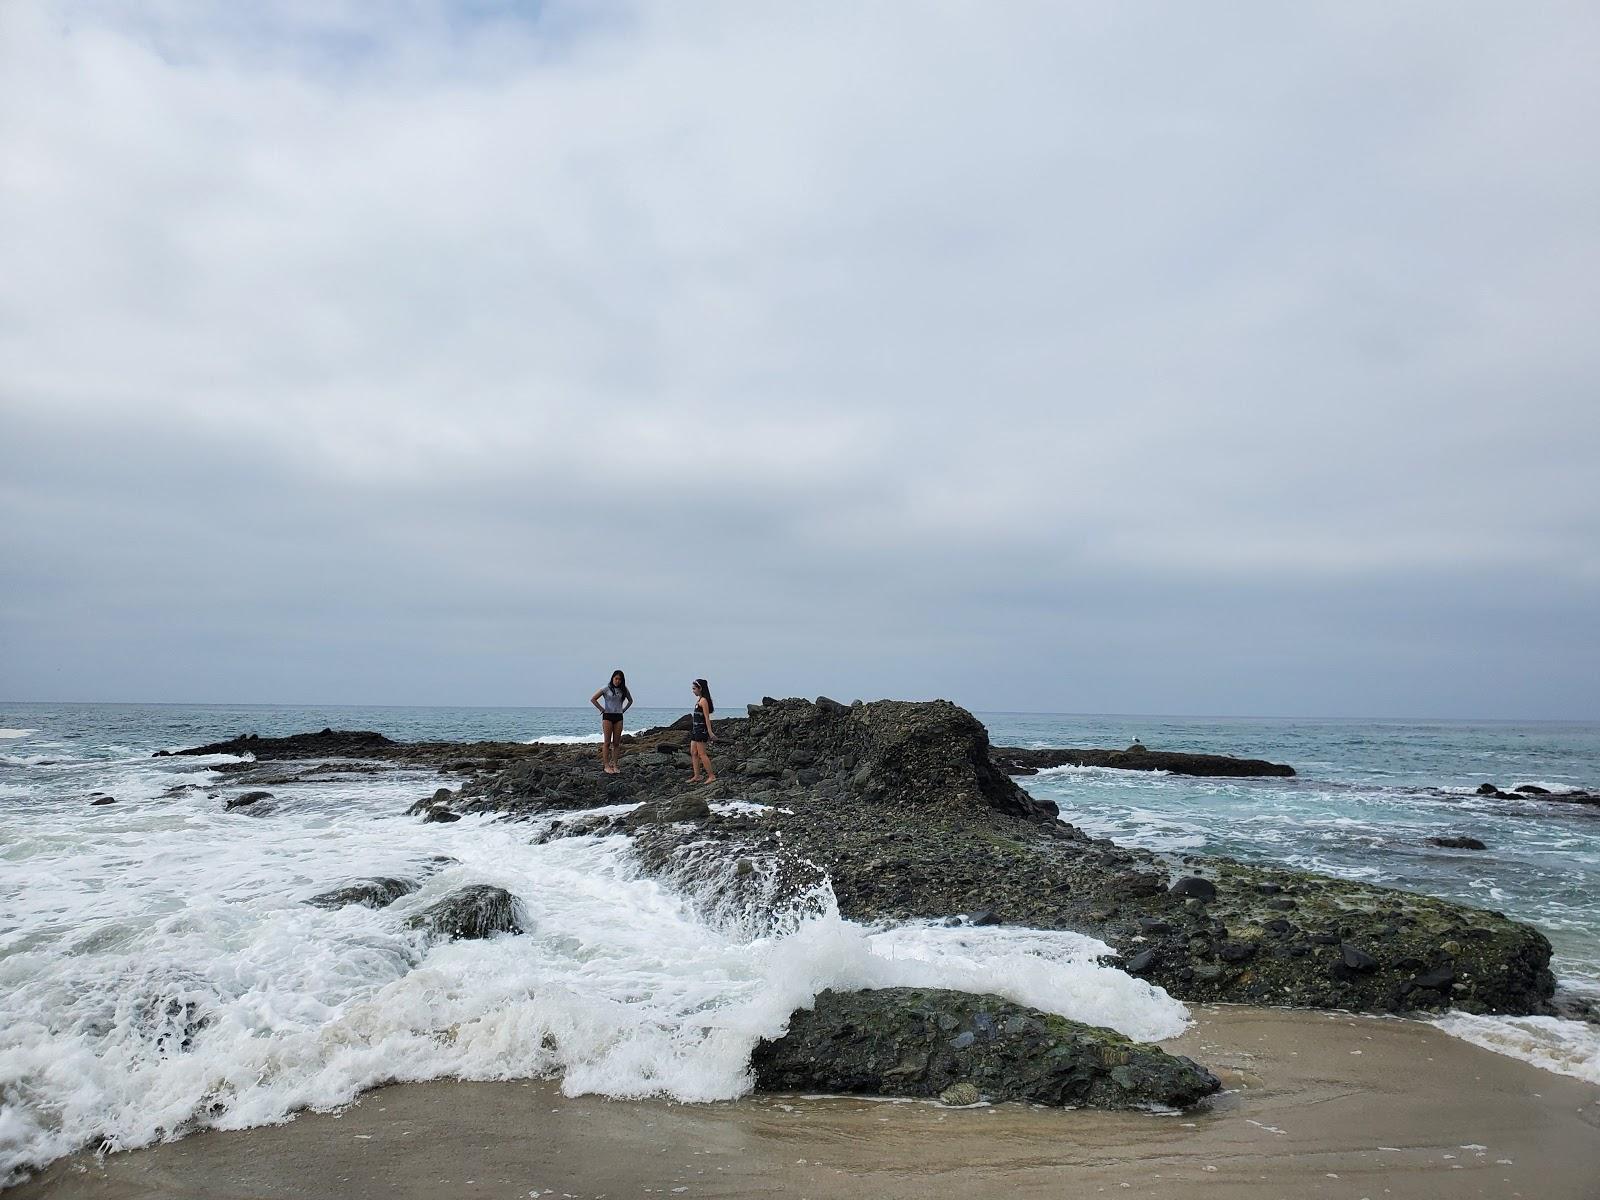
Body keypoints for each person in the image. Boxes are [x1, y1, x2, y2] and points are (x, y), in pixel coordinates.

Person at [590, 670, 633, 774]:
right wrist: (601, 709)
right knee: (607, 742)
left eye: (620, 679)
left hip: (618, 717)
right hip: (607, 716)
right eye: (616, 678)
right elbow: (593, 699)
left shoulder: (623, 689)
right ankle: (606, 765)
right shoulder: (606, 688)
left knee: (616, 743)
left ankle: (615, 765)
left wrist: (623, 710)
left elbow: (630, 701)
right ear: (612, 678)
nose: (617, 681)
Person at [688, 678, 716, 783]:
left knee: (702, 753)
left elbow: (706, 718)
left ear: (700, 688)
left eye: (694, 688)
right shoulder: (699, 700)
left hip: (701, 730)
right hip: (695, 730)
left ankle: (711, 776)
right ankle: (697, 776)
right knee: (693, 752)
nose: (693, 691)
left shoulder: (704, 701)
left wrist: (709, 731)